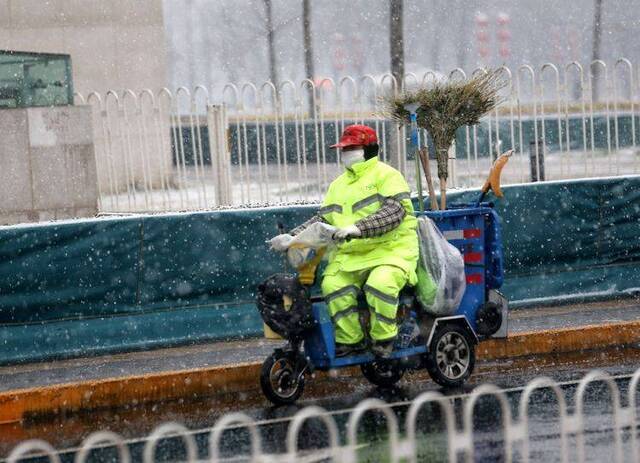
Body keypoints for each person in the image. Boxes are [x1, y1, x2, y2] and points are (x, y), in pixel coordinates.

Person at [270, 124, 419, 358]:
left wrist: (357, 228)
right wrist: (292, 238)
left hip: (391, 252)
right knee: (333, 286)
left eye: (353, 148)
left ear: (370, 149)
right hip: (351, 256)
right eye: (344, 148)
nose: (346, 153)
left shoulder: (388, 175)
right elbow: (322, 220)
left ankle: (384, 338)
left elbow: (395, 211)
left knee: (381, 285)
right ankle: (351, 341)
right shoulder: (338, 185)